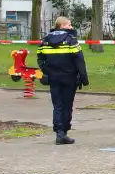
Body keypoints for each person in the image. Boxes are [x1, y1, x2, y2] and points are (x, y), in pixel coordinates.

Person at [37, 16, 88, 145]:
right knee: (67, 105)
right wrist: (83, 77)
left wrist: (47, 71)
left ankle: (59, 133)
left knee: (57, 106)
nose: (71, 27)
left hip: (53, 78)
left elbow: (40, 58)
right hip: (69, 77)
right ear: (62, 26)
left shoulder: (45, 40)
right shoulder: (71, 39)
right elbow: (79, 59)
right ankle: (64, 132)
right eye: (69, 25)